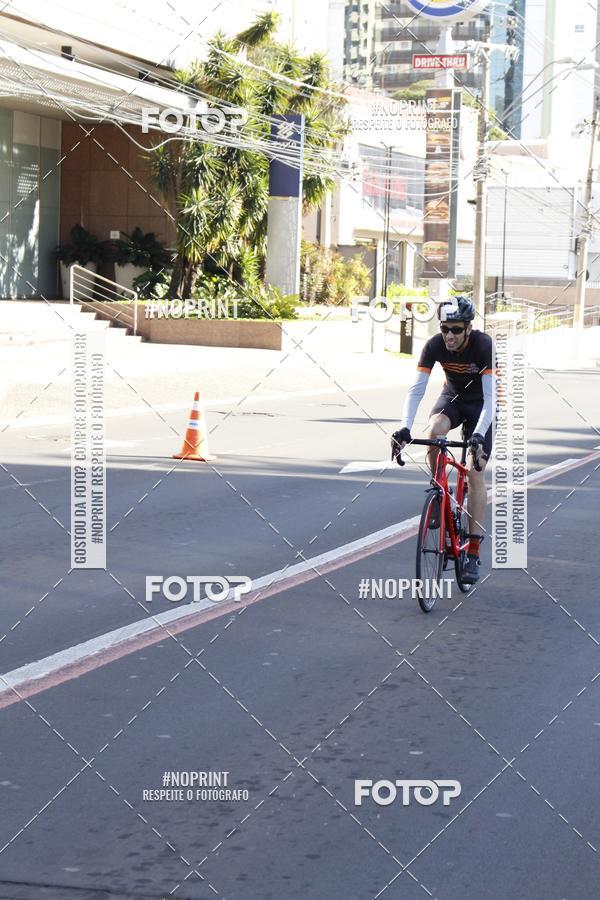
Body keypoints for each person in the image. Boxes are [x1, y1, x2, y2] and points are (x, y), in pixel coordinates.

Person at [391, 296, 496, 584]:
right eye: (444, 328)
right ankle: (440, 493)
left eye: (456, 330)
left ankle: (473, 552)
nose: (449, 335)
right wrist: (404, 428)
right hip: (453, 399)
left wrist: (478, 434)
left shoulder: (484, 346)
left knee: (475, 471)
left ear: (469, 328)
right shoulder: (434, 345)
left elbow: (491, 400)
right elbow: (416, 390)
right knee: (434, 431)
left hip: (481, 408)